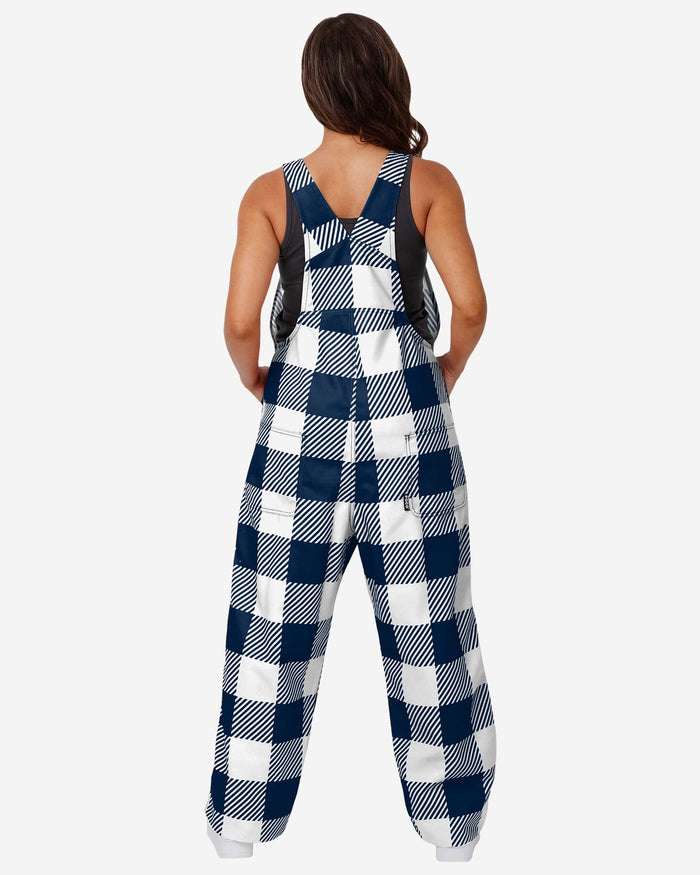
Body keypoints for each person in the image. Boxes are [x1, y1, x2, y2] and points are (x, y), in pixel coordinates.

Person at [204, 12, 496, 863]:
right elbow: (472, 305)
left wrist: (255, 378)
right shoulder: (426, 182)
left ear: (314, 88)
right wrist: (448, 366)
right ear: (386, 77)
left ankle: (240, 832)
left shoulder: (270, 192)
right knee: (430, 625)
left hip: (300, 431)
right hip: (411, 429)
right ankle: (453, 833)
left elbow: (238, 322)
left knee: (273, 625)